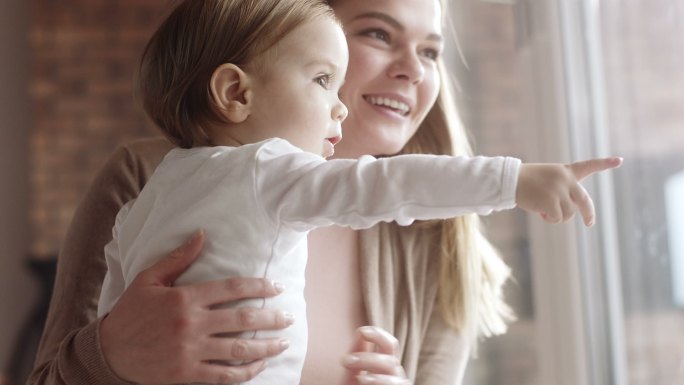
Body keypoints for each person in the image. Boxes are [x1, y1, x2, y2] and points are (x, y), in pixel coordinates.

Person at [28, 0, 622, 384]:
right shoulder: (143, 176)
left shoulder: (441, 234)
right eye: (377, 33)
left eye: (432, 51)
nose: (414, 70)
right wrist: (110, 354)